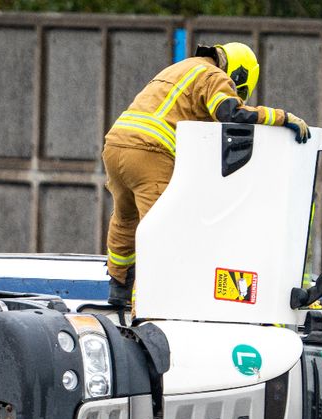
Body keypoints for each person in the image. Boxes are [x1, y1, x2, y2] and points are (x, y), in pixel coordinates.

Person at [102, 42, 311, 306]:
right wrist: (281, 118)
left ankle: (119, 287)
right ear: (238, 75)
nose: (237, 93)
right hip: (149, 153)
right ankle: (147, 311)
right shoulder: (214, 76)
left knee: (125, 219)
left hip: (116, 146)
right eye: (239, 89)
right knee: (160, 232)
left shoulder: (183, 68)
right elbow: (230, 113)